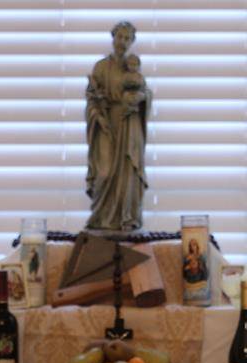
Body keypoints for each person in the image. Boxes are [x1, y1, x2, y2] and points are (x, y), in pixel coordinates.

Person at [85, 21, 150, 231]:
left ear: (131, 42)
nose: (122, 42)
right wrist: (98, 111)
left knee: (128, 175)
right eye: (119, 37)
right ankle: (101, 219)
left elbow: (146, 92)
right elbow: (91, 97)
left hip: (129, 124)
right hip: (107, 123)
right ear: (113, 38)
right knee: (103, 173)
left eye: (127, 38)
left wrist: (140, 98)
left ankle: (126, 218)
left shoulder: (133, 66)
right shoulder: (101, 67)